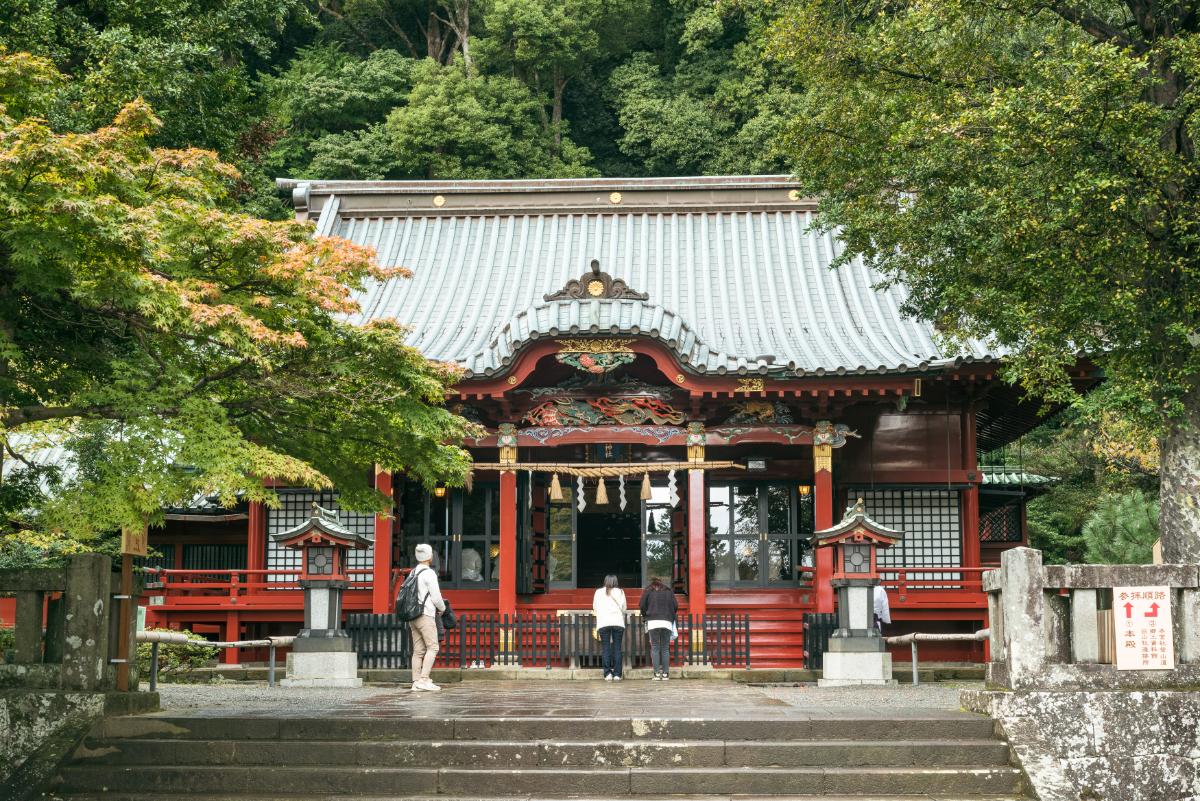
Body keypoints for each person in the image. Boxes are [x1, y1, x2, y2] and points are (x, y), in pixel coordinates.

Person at [409, 543, 446, 692]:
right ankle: (424, 679)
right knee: (433, 646)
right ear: (430, 556)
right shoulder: (429, 573)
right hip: (425, 614)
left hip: (413, 615)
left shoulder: (413, 572)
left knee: (418, 650)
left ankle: (416, 681)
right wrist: (443, 609)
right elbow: (436, 597)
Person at [639, 577, 678, 680]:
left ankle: (656, 674)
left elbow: (642, 605)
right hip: (667, 621)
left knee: (655, 647)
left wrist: (645, 615)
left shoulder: (648, 591)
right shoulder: (668, 591)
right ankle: (665, 674)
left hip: (653, 621)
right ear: (662, 583)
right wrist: (670, 616)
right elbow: (675, 605)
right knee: (665, 648)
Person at [592, 574, 627, 681]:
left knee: (606, 648)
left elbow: (595, 607)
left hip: (603, 622)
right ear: (615, 581)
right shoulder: (620, 592)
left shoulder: (598, 592)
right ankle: (617, 674)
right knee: (617, 648)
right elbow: (624, 608)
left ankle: (607, 674)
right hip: (617, 622)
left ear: (605, 581)